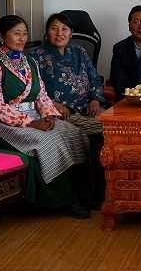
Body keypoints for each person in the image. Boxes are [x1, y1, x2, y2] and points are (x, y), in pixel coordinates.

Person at [0, 15, 97, 219]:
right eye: (16, 33)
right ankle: (66, 200)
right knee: (50, 143)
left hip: (35, 115)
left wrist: (49, 115)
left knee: (74, 134)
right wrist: (31, 123)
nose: (21, 38)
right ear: (1, 37)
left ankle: (84, 193)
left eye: (24, 33)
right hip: (6, 123)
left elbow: (41, 95)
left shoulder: (29, 62)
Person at [31, 12, 107, 200]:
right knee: (103, 129)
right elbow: (33, 91)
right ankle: (95, 189)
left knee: (117, 127)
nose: (60, 33)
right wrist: (52, 104)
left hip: (88, 108)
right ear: (46, 32)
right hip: (64, 115)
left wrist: (95, 99)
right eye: (54, 28)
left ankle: (108, 185)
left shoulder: (79, 52)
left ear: (71, 33)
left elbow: (95, 80)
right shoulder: (36, 57)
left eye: (64, 29)